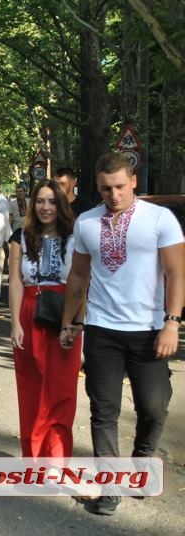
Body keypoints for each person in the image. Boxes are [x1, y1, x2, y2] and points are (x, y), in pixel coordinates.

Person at [60, 153, 184, 516]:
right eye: (104, 188)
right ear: (96, 187)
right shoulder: (86, 222)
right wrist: (69, 323)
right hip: (102, 331)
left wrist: (172, 322)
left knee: (154, 408)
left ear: (133, 181)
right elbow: (79, 277)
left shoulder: (160, 219)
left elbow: (177, 273)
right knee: (104, 411)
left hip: (149, 330)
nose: (112, 194)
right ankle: (109, 487)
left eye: (118, 186)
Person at [8, 180, 81, 458]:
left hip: (64, 311)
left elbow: (82, 282)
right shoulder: (21, 236)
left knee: (61, 388)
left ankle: (57, 457)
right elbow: (15, 281)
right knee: (30, 387)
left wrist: (75, 322)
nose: (45, 207)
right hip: (29, 311)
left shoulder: (76, 237)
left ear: (61, 205)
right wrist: (14, 322)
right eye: (40, 201)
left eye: (52, 201)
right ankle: (33, 458)